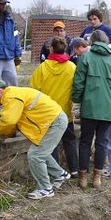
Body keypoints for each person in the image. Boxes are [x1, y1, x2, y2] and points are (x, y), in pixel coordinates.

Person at [0, 80, 70, 200]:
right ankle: (60, 175)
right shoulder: (13, 94)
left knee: (35, 155)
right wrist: (5, 134)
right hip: (52, 120)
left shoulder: (11, 96)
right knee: (41, 151)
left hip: (54, 122)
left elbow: (9, 121)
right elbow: (13, 123)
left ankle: (45, 189)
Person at [72, 30, 111, 189]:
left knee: (85, 142)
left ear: (92, 42)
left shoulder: (85, 58)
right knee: (102, 143)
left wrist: (76, 100)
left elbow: (78, 82)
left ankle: (82, 177)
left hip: (89, 108)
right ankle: (97, 178)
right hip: (108, 109)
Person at [29, 36, 78, 181]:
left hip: (48, 113)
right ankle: (74, 169)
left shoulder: (43, 68)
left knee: (52, 144)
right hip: (66, 112)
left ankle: (56, 173)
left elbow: (33, 90)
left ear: (50, 49)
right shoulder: (72, 67)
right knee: (69, 140)